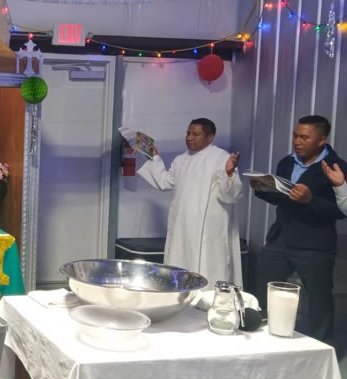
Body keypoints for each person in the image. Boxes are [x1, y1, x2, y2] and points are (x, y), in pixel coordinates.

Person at [252, 115, 347, 343]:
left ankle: (322, 349)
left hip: (314, 245)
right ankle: (261, 342)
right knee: (262, 293)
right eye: (295, 135)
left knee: (318, 302)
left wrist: (310, 200)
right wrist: (262, 189)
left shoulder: (337, 166)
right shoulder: (286, 162)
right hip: (279, 239)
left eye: (304, 137)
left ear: (321, 140)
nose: (297, 141)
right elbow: (283, 199)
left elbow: (340, 211)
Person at [137, 118, 243, 286]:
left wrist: (229, 173)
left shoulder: (221, 158)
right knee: (181, 263)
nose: (189, 137)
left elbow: (230, 195)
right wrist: (154, 157)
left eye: (195, 134)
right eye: (188, 133)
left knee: (208, 267)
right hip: (183, 226)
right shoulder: (181, 160)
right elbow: (165, 182)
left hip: (208, 229)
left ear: (210, 137)